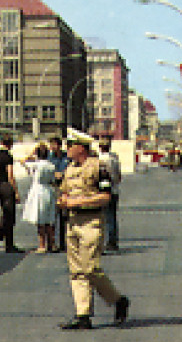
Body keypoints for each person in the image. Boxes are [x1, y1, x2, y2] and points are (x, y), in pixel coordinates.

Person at [55, 133, 129, 330]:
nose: (67, 148)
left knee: (90, 269)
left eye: (71, 145)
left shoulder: (98, 167)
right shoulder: (69, 168)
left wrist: (78, 202)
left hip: (91, 221)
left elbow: (106, 197)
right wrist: (62, 201)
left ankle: (118, 300)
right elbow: (63, 192)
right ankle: (83, 314)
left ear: (82, 147)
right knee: (76, 271)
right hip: (72, 222)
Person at [20, 143, 58, 253]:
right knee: (49, 219)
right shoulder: (51, 165)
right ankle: (52, 243)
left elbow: (23, 162)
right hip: (48, 190)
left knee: (40, 219)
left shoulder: (36, 165)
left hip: (38, 191)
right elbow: (52, 180)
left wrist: (30, 155)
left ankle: (42, 244)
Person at [0, 134, 23, 253]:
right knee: (9, 216)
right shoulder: (8, 156)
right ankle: (9, 244)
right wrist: (16, 191)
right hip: (7, 187)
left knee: (4, 214)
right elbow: (10, 175)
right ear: (11, 144)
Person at [98, 136, 123, 252]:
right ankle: (113, 241)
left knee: (103, 217)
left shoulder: (99, 159)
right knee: (112, 217)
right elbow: (119, 176)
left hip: (103, 191)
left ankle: (104, 241)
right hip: (114, 189)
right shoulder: (114, 158)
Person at [47, 136, 70, 252]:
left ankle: (64, 242)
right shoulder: (49, 158)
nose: (52, 147)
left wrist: (63, 174)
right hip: (54, 187)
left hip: (65, 188)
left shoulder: (67, 157)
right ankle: (52, 242)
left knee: (64, 217)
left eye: (54, 145)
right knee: (52, 217)